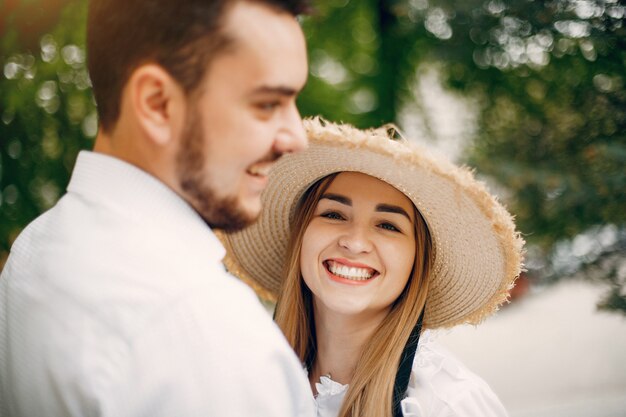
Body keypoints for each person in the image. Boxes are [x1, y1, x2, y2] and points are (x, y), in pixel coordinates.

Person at [0, 1, 315, 416]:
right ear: (157, 103)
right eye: (267, 104)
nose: (296, 137)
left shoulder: (36, 246)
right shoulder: (215, 337)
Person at [220, 119, 525, 417]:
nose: (355, 243)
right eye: (335, 215)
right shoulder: (246, 382)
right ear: (301, 234)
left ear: (417, 261)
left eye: (388, 225)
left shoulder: (447, 404)